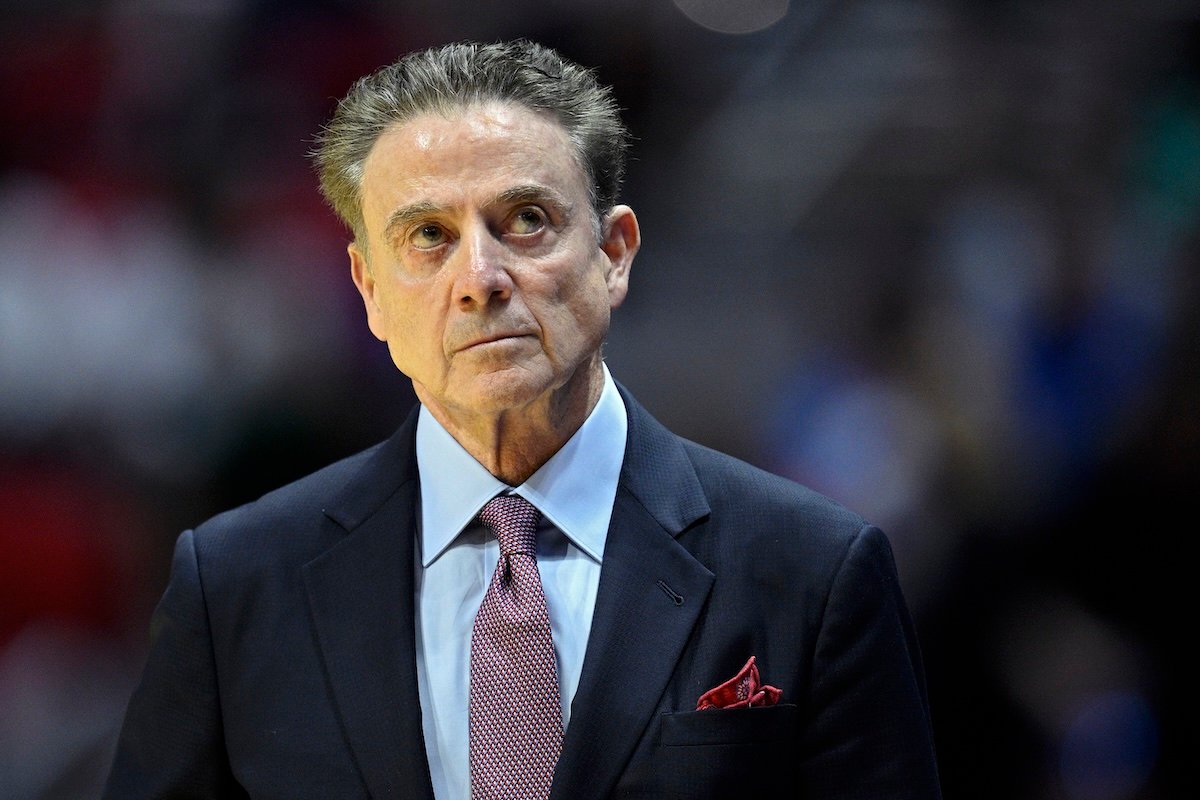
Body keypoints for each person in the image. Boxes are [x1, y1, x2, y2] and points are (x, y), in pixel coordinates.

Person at [104, 40, 941, 799]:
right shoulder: (235, 585)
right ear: (369, 290)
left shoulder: (814, 570)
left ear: (614, 254)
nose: (480, 278)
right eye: (428, 235)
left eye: (527, 221)